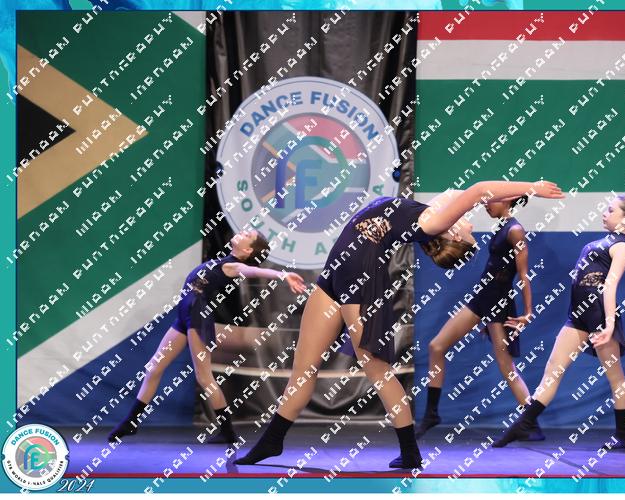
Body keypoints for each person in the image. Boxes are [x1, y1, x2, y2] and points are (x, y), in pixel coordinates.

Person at [233, 179, 564, 469]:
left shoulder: (432, 223)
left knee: (376, 368)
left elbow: (478, 191)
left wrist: (532, 188)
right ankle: (272, 441)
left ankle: (409, 451)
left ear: (451, 234)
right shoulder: (430, 213)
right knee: (303, 367)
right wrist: (514, 193)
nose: (470, 225)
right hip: (337, 267)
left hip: (360, 275)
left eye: (468, 234)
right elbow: (459, 193)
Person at [107, 229, 306, 444]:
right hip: (184, 318)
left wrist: (282, 275)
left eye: (247, 235)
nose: (242, 232)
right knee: (154, 367)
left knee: (204, 377)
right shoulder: (224, 261)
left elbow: (251, 271)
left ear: (248, 250)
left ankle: (228, 431)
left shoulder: (233, 266)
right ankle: (132, 421)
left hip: (197, 318)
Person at [492, 195, 625, 450]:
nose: (604, 213)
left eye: (610, 210)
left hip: (599, 315)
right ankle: (526, 423)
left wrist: (609, 325)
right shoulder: (607, 241)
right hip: (578, 314)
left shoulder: (622, 246)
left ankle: (621, 436)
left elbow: (610, 286)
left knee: (615, 376)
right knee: (552, 370)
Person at [416, 195, 542, 441]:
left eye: (491, 201)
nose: (485, 204)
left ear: (508, 201)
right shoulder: (503, 227)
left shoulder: (515, 230)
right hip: (484, 298)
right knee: (437, 347)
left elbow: (524, 274)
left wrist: (528, 312)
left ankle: (530, 423)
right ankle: (431, 414)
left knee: (506, 366)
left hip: (496, 301)